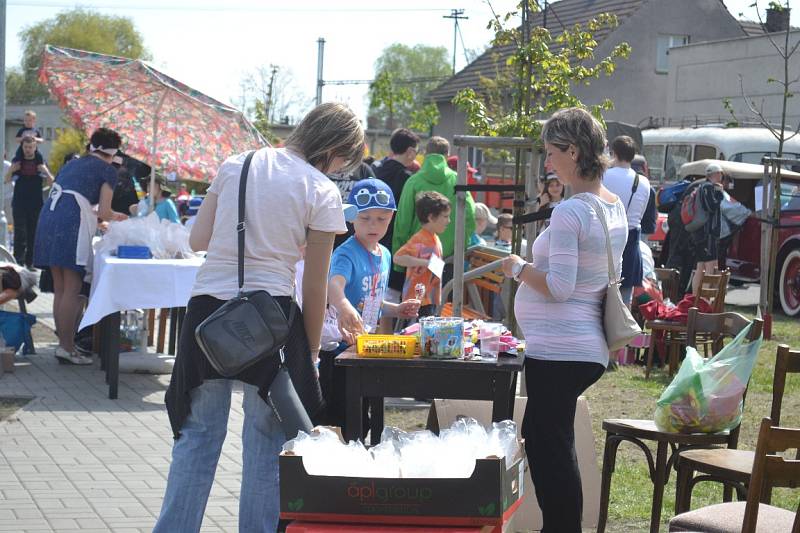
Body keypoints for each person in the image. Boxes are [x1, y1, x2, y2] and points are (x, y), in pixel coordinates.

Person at [154, 102, 366, 533]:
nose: (344, 168)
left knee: (196, 438)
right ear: (336, 149)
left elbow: (197, 238)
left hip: (207, 312)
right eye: (347, 159)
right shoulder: (321, 190)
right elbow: (313, 287)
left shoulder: (237, 163)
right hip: (271, 320)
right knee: (266, 443)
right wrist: (308, 352)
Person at [501, 107, 627, 533]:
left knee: (550, 446)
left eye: (551, 152)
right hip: (580, 347)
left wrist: (518, 267)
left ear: (572, 151)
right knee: (543, 438)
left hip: (562, 349)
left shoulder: (571, 211)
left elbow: (559, 286)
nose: (547, 162)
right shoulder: (613, 207)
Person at [320, 178, 420, 427]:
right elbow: (334, 285)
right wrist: (343, 306)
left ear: (391, 218)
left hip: (368, 346)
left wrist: (396, 308)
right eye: (365, 218)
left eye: (381, 219)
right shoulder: (345, 253)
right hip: (339, 348)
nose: (373, 225)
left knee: (366, 416)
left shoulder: (384, 254)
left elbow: (372, 300)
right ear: (352, 218)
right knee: (343, 417)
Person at [33, 128, 128, 365]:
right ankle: (66, 347)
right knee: (73, 287)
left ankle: (63, 345)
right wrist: (118, 217)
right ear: (113, 151)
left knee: (60, 286)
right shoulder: (108, 170)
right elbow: (104, 211)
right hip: (71, 223)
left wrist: (101, 216)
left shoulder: (74, 163)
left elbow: (75, 196)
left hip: (49, 217)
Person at [392, 136, 476, 287]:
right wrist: (461, 247)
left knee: (417, 303)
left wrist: (399, 261)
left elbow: (402, 221)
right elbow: (469, 215)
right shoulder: (458, 180)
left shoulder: (414, 181)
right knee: (443, 304)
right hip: (448, 257)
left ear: (425, 154)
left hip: (417, 258)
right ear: (447, 155)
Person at [602, 135, 652, 306]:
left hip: (606, 239)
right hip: (631, 242)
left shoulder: (604, 176)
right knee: (624, 300)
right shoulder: (643, 182)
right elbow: (641, 213)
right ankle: (622, 332)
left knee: (600, 297)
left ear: (613, 153)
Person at [371, 128, 419, 295]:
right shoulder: (408, 178)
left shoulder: (375, 170)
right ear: (411, 151)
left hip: (369, 235)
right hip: (393, 242)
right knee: (391, 296)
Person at [393, 191, 451, 317]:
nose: (449, 221)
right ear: (431, 217)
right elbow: (398, 258)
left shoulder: (434, 237)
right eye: (445, 216)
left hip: (429, 297)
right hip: (417, 299)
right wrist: (424, 263)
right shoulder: (420, 239)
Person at [6, 136, 55, 269]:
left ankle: (30, 262)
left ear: (35, 147)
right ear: (22, 147)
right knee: (20, 233)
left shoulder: (40, 161)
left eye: (31, 147)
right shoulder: (17, 161)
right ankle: (18, 262)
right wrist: (11, 169)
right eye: (26, 147)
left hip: (35, 202)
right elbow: (6, 180)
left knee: (33, 232)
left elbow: (52, 182)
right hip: (19, 202)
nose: (28, 150)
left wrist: (45, 171)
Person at [690, 162, 725, 295]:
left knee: (700, 266)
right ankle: (707, 298)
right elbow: (711, 206)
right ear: (715, 174)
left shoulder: (702, 186)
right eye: (720, 173)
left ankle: (696, 297)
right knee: (711, 266)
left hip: (701, 233)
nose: (721, 175)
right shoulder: (709, 188)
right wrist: (720, 194)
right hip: (708, 234)